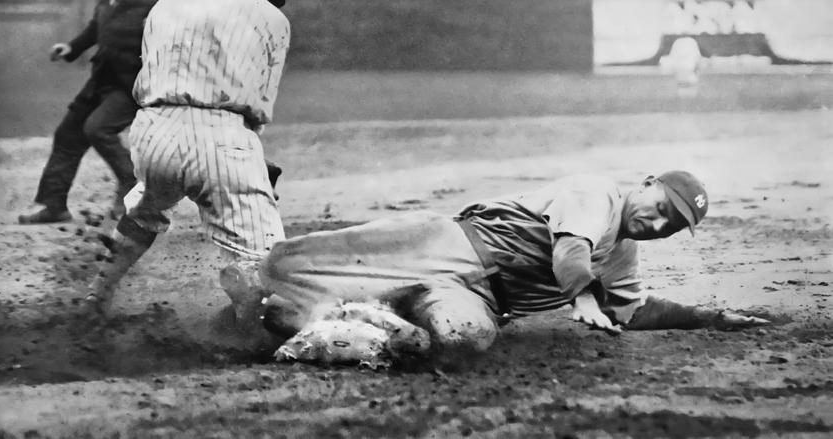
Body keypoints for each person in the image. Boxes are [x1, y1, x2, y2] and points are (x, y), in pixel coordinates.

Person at [259, 171, 770, 363]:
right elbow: (570, 250)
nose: (659, 223)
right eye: (661, 207)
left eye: (672, 226)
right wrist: (584, 298)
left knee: (464, 340)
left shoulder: (623, 253)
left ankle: (345, 327)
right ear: (646, 182)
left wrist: (705, 317)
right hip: (447, 243)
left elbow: (632, 312)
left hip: (481, 296)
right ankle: (261, 294)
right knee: (297, 262)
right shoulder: (598, 194)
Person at [84, 0, 290, 327]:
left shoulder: (166, 5)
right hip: (221, 137)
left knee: (144, 210)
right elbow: (258, 106)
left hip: (152, 131)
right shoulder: (271, 18)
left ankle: (95, 299)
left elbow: (150, 72)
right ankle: (249, 331)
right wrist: (250, 157)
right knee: (265, 263)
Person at [18, 0, 164, 224]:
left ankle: (134, 186)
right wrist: (72, 48)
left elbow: (173, 38)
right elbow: (96, 29)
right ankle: (54, 205)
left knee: (98, 129)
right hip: (101, 79)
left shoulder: (155, 0)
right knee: (68, 134)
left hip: (130, 85)